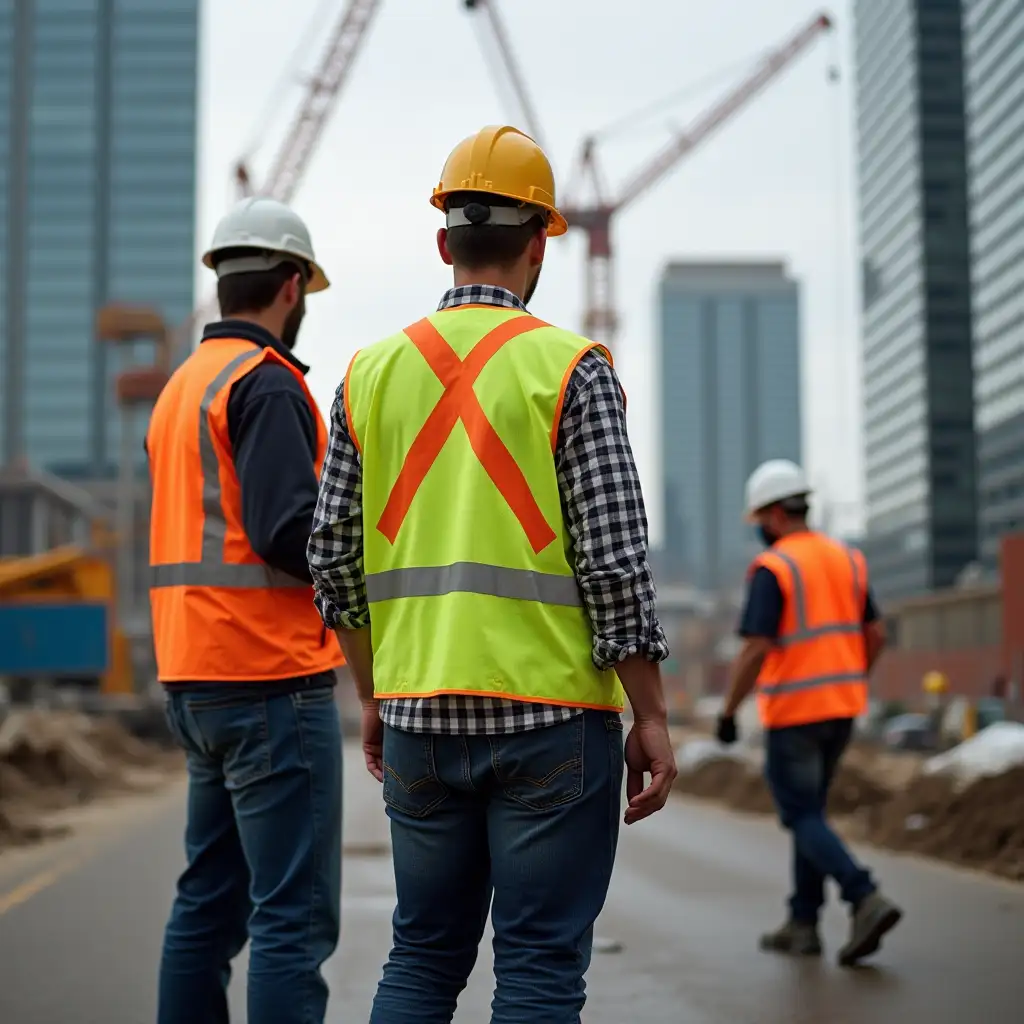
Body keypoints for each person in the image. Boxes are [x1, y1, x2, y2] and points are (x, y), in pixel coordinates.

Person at [308, 124, 677, 1024]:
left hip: (420, 718)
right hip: (554, 720)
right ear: (541, 241)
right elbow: (615, 561)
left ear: (444, 241)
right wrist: (654, 713)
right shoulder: (573, 371)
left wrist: (374, 697)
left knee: (423, 957)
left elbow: (330, 560)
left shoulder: (366, 376)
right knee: (540, 969)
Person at [148, 197, 344, 1024]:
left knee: (208, 904)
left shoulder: (180, 389)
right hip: (268, 678)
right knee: (290, 918)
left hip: (193, 677)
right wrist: (361, 549)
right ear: (291, 286)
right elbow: (285, 532)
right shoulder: (265, 385)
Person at [716, 459, 902, 967]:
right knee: (810, 816)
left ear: (774, 514)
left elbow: (756, 648)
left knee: (799, 814)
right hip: (842, 710)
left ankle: (863, 896)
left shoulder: (775, 568)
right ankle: (803, 923)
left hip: (796, 712)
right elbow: (877, 634)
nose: (758, 526)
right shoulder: (847, 558)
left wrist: (729, 711)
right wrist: (851, 678)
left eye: (758, 516)